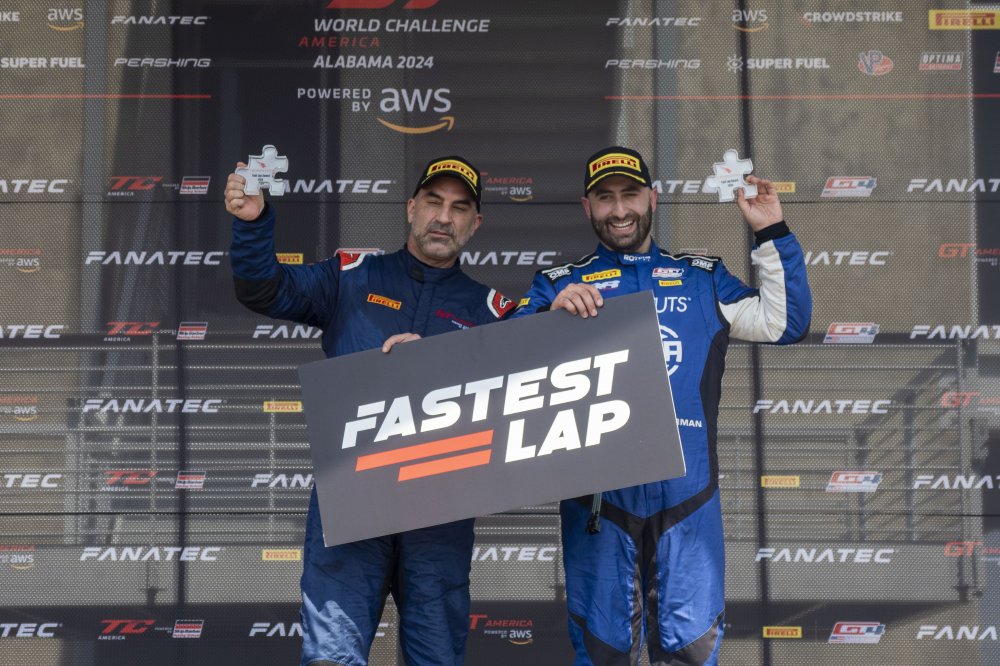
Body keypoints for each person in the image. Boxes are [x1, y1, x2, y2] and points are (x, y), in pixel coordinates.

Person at [514, 146, 812, 665]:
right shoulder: (559, 285)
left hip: (688, 500)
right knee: (604, 653)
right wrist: (547, 321)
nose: (619, 210)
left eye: (630, 195)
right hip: (599, 506)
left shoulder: (701, 277)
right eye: (605, 198)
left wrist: (770, 231)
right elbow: (503, 363)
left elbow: (785, 322)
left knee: (690, 652)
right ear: (587, 207)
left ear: (652, 199)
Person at [225, 154, 515, 666]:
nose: (443, 217)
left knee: (437, 658)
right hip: (353, 497)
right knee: (331, 657)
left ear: (475, 223)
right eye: (433, 202)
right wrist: (254, 223)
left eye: (459, 208)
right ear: (411, 208)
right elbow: (265, 289)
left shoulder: (492, 311)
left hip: (439, 511)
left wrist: (443, 363)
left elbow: (532, 387)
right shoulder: (352, 276)